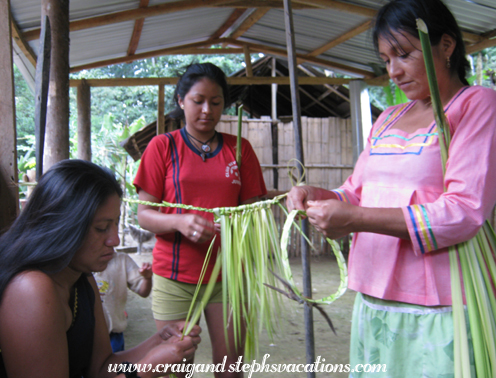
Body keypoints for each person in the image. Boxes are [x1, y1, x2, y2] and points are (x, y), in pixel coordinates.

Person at [287, 0, 496, 376]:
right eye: (386, 60)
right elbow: (355, 192)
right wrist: (319, 196)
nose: (393, 71)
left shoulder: (477, 105)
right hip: (375, 296)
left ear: (446, 46)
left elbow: (465, 210)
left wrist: (355, 218)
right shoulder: (389, 117)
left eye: (403, 55)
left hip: (441, 305)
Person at [0, 159, 201, 378]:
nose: (114, 240)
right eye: (101, 228)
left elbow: (102, 367)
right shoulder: (29, 289)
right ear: (61, 226)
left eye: (114, 224)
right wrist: (143, 372)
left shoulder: (82, 276)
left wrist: (158, 342)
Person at [134, 62, 267, 377]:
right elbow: (144, 214)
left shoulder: (240, 150)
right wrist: (180, 222)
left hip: (230, 276)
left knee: (230, 371)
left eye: (216, 101)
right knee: (175, 370)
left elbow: (252, 213)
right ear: (181, 101)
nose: (207, 109)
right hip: (174, 276)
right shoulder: (161, 147)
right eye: (198, 100)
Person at [94, 251, 153, 352]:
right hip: (86, 333)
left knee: (114, 366)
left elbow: (143, 292)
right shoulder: (77, 260)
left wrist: (147, 278)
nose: (114, 240)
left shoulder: (122, 260)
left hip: (114, 333)